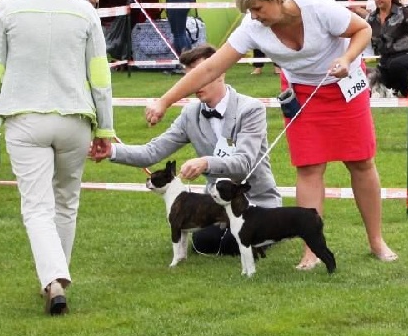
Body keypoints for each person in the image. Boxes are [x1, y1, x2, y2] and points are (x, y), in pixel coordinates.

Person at [145, 0, 397, 269]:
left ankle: (376, 241)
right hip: (302, 95)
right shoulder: (252, 26)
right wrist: (165, 100)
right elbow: (210, 68)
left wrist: (346, 58)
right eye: (249, 10)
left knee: (361, 162)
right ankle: (310, 251)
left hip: (344, 86)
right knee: (309, 167)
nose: (254, 16)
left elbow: (362, 30)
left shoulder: (317, 6)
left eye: (258, 8)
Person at [0, 0, 114, 315]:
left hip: (25, 119)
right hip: (75, 120)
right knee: (66, 202)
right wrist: (105, 129)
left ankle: (52, 280)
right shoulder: (84, 12)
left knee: (36, 207)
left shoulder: (7, 8)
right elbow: (100, 77)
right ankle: (56, 279)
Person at [91, 43, 281, 255]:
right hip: (217, 208)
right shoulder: (190, 115)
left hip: (256, 203)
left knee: (233, 242)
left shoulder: (251, 109)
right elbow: (151, 152)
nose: (195, 84)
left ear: (221, 72)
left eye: (201, 75)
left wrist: (206, 162)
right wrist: (111, 151)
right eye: (190, 78)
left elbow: (243, 164)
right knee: (203, 243)